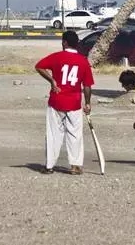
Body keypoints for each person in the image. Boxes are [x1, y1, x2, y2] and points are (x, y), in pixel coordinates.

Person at [35, 30, 94, 175]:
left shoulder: (57, 57)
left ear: (64, 42)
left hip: (57, 100)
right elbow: (87, 85)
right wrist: (87, 103)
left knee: (54, 134)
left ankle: (49, 166)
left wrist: (52, 80)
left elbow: (39, 66)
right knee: (75, 134)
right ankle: (75, 165)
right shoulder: (83, 61)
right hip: (74, 103)